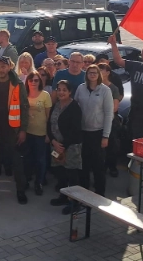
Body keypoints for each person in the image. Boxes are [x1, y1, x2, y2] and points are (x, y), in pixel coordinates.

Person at [0, 57, 30, 204]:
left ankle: (20, 191)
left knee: (17, 162)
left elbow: (24, 107)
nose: (1, 69)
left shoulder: (17, 84)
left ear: (9, 67)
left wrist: (23, 130)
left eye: (3, 66)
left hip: (13, 130)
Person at [74, 64, 114, 197]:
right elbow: (75, 107)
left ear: (99, 75)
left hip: (98, 133)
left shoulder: (105, 90)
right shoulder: (80, 88)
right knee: (83, 164)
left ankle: (100, 193)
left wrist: (105, 136)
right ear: (86, 74)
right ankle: (83, 191)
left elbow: (109, 114)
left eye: (95, 73)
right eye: (90, 72)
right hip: (83, 132)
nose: (92, 75)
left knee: (98, 165)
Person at [47, 80, 84, 215]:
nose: (61, 92)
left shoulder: (74, 107)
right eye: (59, 89)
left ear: (70, 92)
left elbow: (75, 130)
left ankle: (75, 202)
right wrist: (53, 141)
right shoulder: (55, 105)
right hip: (56, 146)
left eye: (64, 90)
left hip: (71, 147)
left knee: (72, 175)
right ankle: (63, 196)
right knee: (60, 173)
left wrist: (63, 146)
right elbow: (49, 124)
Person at [24, 71, 52, 196]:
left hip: (41, 133)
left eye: (36, 80)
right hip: (27, 132)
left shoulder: (45, 95)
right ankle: (26, 180)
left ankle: (39, 182)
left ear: (40, 81)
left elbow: (48, 117)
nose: (33, 82)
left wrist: (48, 134)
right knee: (27, 159)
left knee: (40, 160)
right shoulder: (24, 94)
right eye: (31, 80)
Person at [97, 61, 122, 177]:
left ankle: (112, 167)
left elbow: (114, 107)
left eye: (101, 70)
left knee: (111, 146)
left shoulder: (113, 88)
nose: (99, 72)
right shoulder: (94, 86)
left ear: (107, 72)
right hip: (96, 122)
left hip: (110, 121)